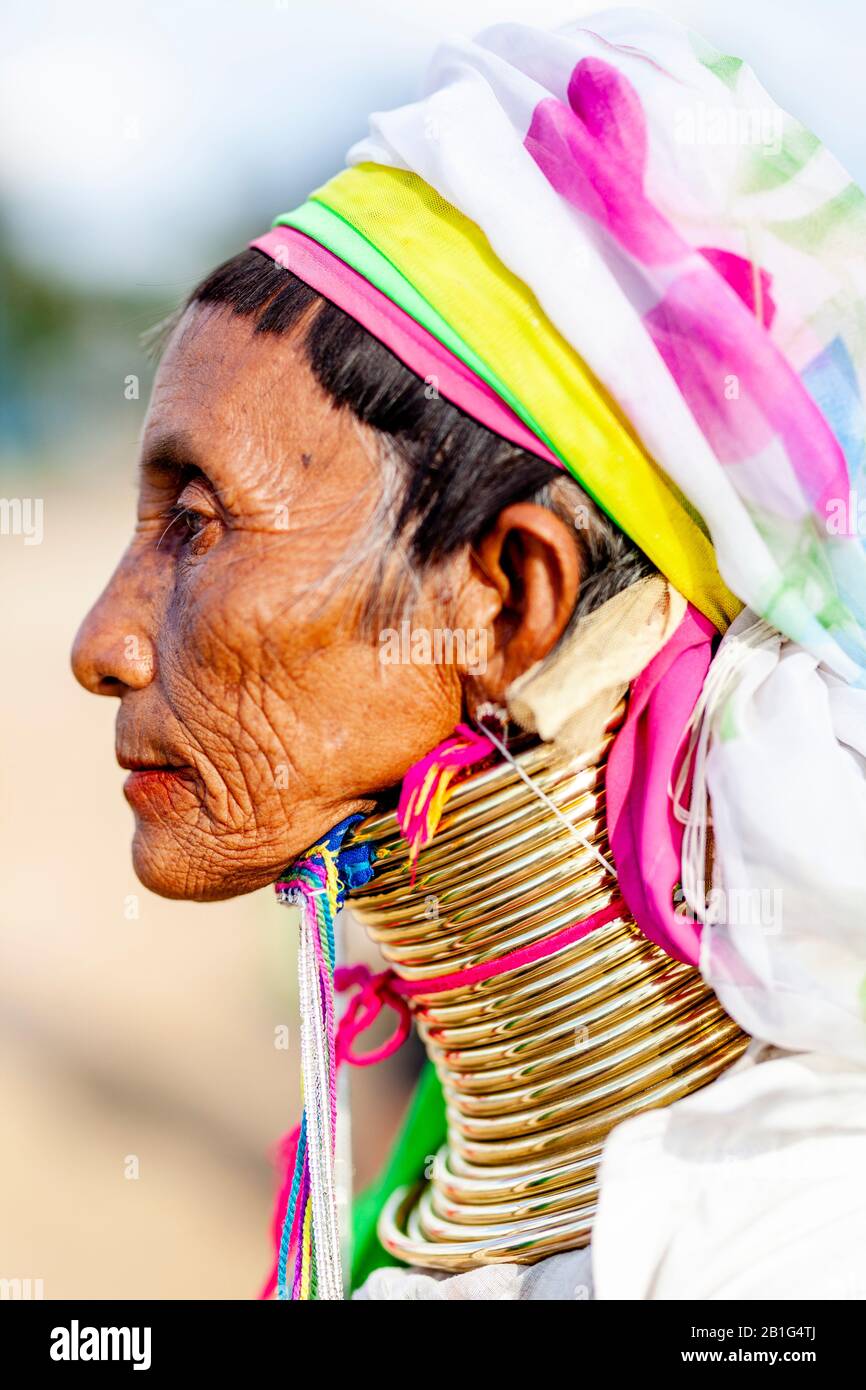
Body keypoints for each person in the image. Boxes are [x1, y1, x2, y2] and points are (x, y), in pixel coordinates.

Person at [72, 9, 866, 1300]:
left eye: (198, 523)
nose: (101, 645)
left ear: (508, 597)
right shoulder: (424, 1235)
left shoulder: (802, 1248)